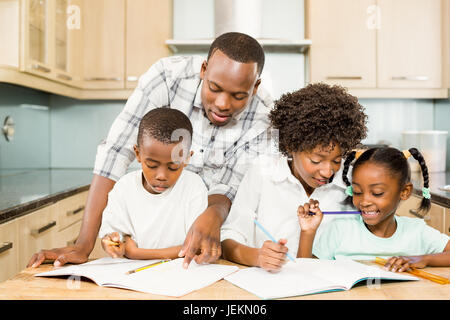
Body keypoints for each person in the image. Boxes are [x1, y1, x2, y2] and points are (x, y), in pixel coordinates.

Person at [27, 32, 274, 269]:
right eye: (215, 88)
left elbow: (230, 185)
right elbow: (115, 152)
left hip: (211, 233)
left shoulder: (263, 115)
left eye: (238, 96)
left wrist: (213, 214)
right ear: (203, 70)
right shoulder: (167, 77)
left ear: (255, 87)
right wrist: (83, 245)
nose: (223, 104)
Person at [220, 83, 368, 272]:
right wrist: (256, 256)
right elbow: (230, 236)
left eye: (337, 160)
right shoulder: (263, 172)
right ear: (291, 146)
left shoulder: (349, 181)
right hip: (270, 283)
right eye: (316, 160)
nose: (328, 172)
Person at [297, 147, 450, 272]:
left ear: (404, 192)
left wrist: (422, 259)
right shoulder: (340, 229)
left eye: (377, 193)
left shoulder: (417, 231)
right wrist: (308, 232)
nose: (364, 201)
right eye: (357, 192)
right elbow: (306, 273)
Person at [99, 108, 208, 260]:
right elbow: (112, 237)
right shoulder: (124, 188)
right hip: (131, 278)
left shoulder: (193, 186)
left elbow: (196, 247)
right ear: (137, 154)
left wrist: (136, 253)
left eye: (173, 167)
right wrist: (112, 244)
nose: (161, 176)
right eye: (151, 165)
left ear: (187, 158)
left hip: (180, 276)